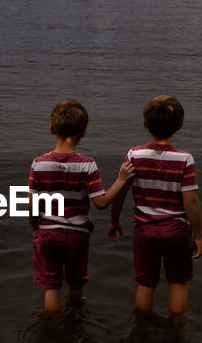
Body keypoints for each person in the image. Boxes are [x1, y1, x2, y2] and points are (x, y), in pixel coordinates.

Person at [29, 99, 134, 312]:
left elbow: (31, 206)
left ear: (51, 129)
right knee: (75, 283)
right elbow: (101, 202)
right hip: (76, 235)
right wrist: (121, 180)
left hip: (47, 233)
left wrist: (36, 230)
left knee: (51, 287)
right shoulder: (87, 164)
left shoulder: (39, 163)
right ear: (83, 132)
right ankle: (75, 321)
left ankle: (53, 329)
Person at [108, 96, 202, 316]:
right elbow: (190, 201)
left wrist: (114, 220)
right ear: (179, 126)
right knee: (178, 283)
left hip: (145, 230)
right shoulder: (185, 159)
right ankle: (177, 330)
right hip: (177, 230)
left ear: (145, 124)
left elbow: (121, 192)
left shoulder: (134, 155)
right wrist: (198, 235)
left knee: (145, 284)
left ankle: (142, 327)